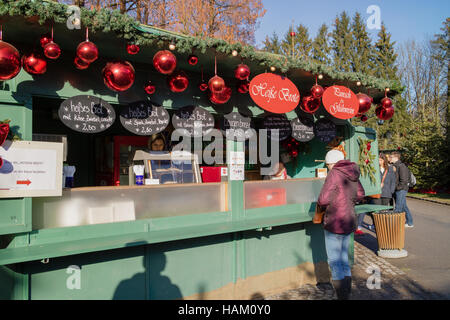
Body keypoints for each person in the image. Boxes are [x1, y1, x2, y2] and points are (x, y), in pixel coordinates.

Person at [317, 149, 365, 300]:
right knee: (344, 259)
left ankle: (341, 296)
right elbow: (360, 194)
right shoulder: (352, 171)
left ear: (332, 163)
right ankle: (347, 293)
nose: (328, 167)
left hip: (334, 221)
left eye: (328, 164)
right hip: (349, 220)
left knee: (334, 261)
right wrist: (348, 199)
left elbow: (323, 199)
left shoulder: (334, 173)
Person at [390, 151, 414, 227]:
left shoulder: (401, 166)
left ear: (396, 157)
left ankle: (396, 226)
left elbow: (404, 180)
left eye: (391, 157)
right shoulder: (394, 166)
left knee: (398, 208)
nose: (389, 158)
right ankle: (410, 222)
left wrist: (397, 188)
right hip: (398, 189)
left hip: (401, 189)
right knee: (403, 206)